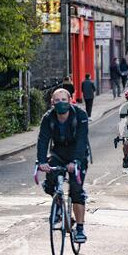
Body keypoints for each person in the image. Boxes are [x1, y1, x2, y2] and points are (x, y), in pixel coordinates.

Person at [37, 88, 89, 243]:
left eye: (64, 100)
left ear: (70, 100)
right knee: (50, 183)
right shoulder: (48, 118)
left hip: (77, 154)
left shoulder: (80, 116)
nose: (60, 103)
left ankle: (79, 229)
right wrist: (42, 161)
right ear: (52, 102)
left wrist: (76, 161)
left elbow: (81, 140)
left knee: (76, 190)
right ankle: (58, 208)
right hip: (58, 153)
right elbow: (43, 140)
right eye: (57, 100)